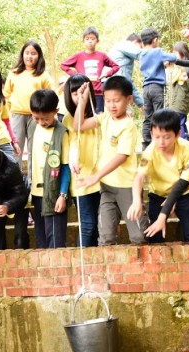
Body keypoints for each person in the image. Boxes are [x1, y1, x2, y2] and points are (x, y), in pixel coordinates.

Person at [74, 76, 146, 245]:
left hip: (127, 187)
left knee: (138, 236)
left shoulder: (128, 126)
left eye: (116, 101)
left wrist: (96, 176)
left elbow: (122, 156)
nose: (112, 105)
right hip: (107, 187)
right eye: (107, 101)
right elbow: (79, 125)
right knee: (105, 237)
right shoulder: (104, 118)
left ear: (129, 100)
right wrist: (83, 101)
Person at [128, 109, 189, 244]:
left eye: (166, 137)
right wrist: (136, 200)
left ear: (178, 134)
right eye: (156, 137)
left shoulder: (187, 148)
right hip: (158, 196)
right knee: (154, 235)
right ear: (151, 134)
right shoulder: (150, 151)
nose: (161, 142)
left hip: (184, 194)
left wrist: (174, 199)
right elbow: (139, 177)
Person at [26, 89, 71, 249]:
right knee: (41, 240)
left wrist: (62, 195)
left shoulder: (61, 133)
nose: (40, 122)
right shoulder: (32, 126)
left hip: (54, 195)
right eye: (36, 117)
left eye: (45, 118)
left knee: (55, 242)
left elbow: (66, 167)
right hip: (36, 194)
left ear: (56, 112)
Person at [62, 74, 101, 247]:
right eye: (75, 93)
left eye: (83, 93)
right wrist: (72, 159)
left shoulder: (98, 118)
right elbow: (74, 136)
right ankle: (81, 264)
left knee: (99, 227)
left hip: (99, 179)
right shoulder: (68, 119)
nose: (79, 97)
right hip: (81, 180)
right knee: (87, 225)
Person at [5, 41, 54, 156]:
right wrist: (8, 114)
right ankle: (16, 174)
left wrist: (46, 116)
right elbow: (6, 95)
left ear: (39, 56)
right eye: (27, 53)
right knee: (16, 149)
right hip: (17, 115)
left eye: (33, 53)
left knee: (35, 149)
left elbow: (50, 96)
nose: (29, 56)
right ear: (22, 55)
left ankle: (33, 174)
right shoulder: (14, 73)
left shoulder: (43, 75)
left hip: (37, 117)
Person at [60, 26, 120, 114]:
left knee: (98, 118)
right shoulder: (78, 56)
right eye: (87, 39)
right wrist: (76, 75)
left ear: (97, 41)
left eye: (93, 39)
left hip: (98, 92)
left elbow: (116, 66)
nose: (90, 41)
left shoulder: (102, 55)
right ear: (83, 41)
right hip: (83, 91)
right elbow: (63, 65)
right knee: (84, 116)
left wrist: (106, 74)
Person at [138, 28, 180, 150]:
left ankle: (146, 143)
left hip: (146, 88)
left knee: (148, 116)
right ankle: (158, 142)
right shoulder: (157, 51)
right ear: (155, 40)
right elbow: (173, 57)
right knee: (159, 115)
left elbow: (151, 65)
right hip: (157, 87)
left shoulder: (142, 54)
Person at [108, 33, 144, 108]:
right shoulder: (127, 45)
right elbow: (126, 81)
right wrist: (141, 103)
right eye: (140, 46)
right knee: (125, 115)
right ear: (135, 42)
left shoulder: (118, 48)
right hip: (116, 88)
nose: (140, 49)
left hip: (110, 88)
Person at [167, 42, 189, 140]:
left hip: (180, 102)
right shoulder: (188, 66)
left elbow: (170, 79)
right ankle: (186, 143)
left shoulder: (183, 67)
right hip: (181, 101)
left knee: (179, 124)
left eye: (175, 53)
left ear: (182, 53)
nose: (173, 56)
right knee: (180, 123)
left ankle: (185, 145)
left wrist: (169, 65)